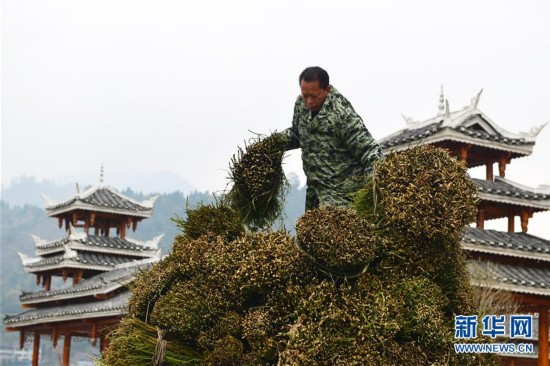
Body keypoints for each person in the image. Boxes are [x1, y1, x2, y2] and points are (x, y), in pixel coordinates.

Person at [280, 66, 383, 210]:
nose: (309, 101)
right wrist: (274, 143)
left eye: (314, 96)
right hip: (315, 192)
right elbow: (298, 134)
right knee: (311, 231)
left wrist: (373, 189)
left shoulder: (342, 115)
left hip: (343, 197)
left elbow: (370, 151)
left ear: (327, 90)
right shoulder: (300, 105)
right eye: (305, 96)